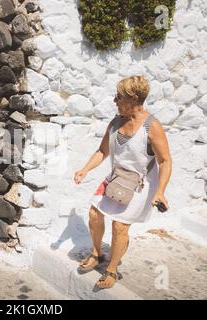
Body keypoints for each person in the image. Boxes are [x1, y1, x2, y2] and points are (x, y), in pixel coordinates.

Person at [73, 75, 172, 289]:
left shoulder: (152, 127)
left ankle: (112, 269)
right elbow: (102, 151)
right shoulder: (116, 121)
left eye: (119, 97)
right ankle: (97, 253)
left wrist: (161, 191)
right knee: (94, 214)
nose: (114, 100)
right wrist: (85, 169)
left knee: (119, 226)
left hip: (140, 184)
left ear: (134, 99)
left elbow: (165, 161)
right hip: (116, 177)